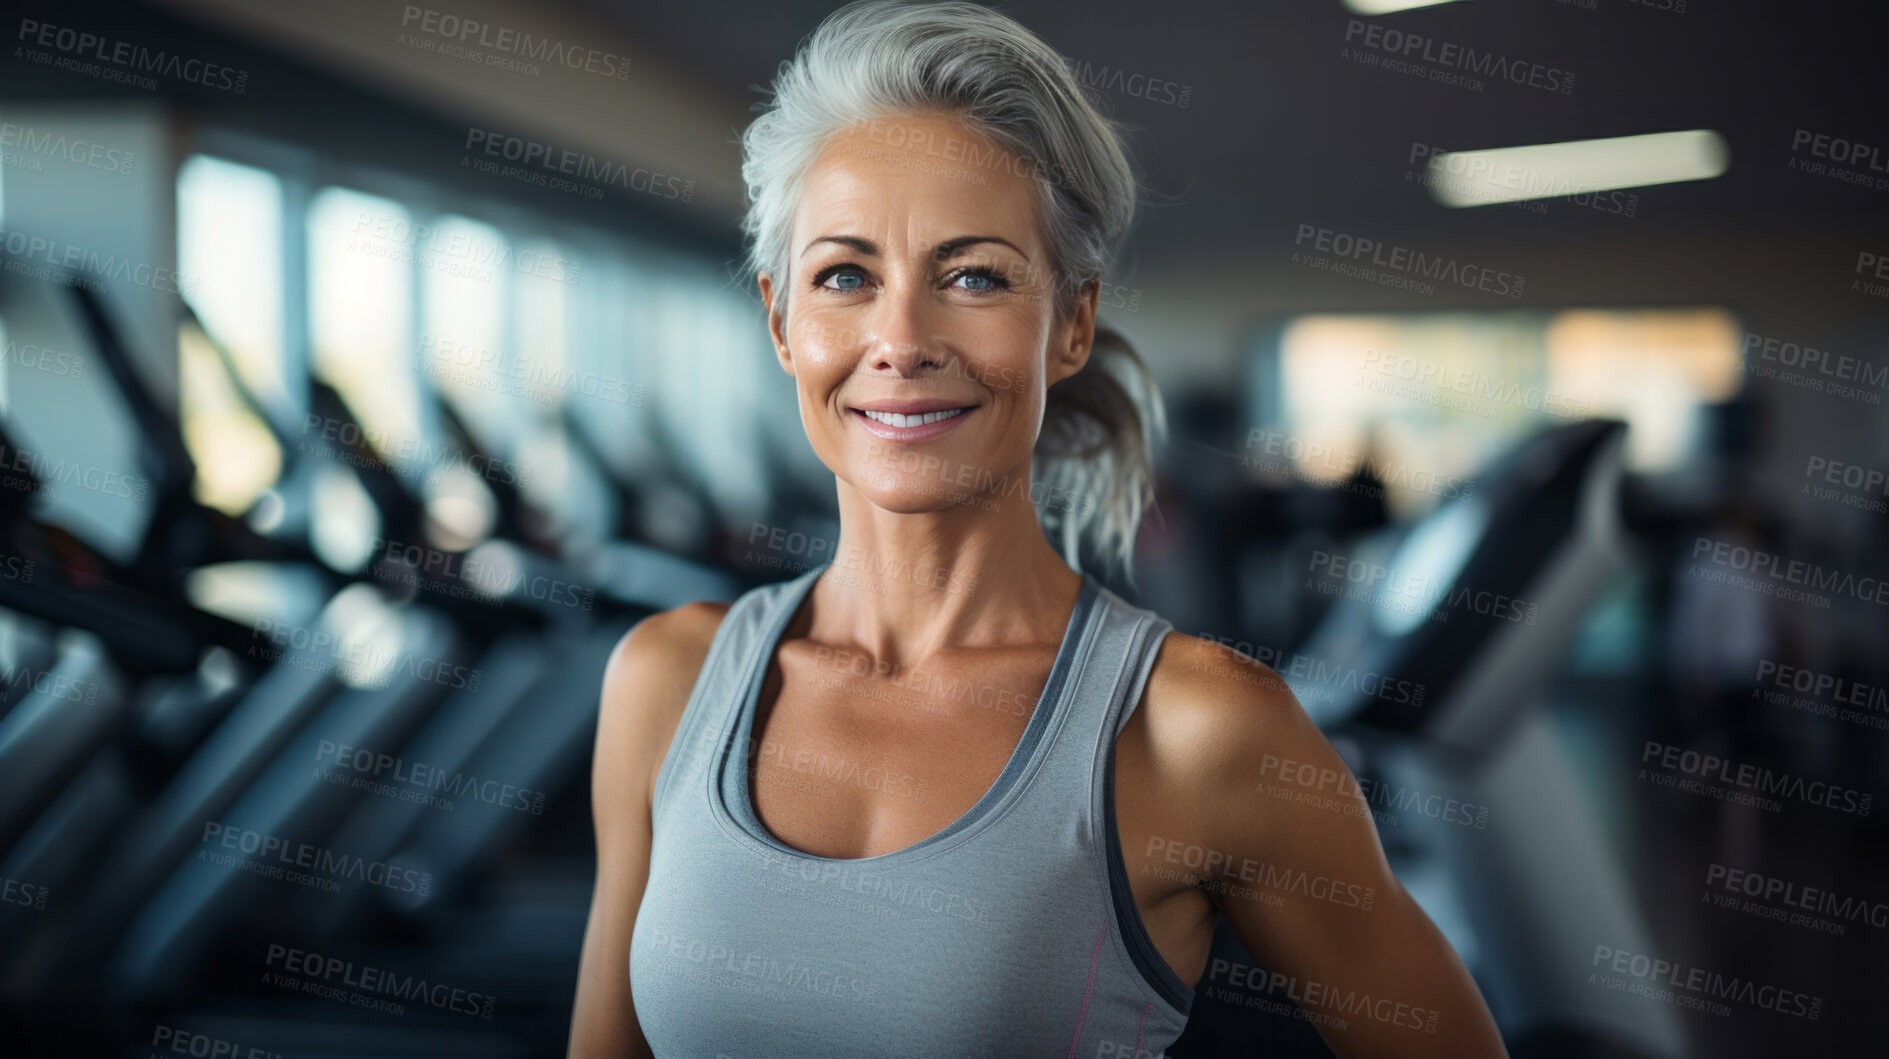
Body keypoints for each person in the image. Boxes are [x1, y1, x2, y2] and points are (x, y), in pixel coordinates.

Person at [568, 3, 1507, 1056]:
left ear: (1067, 324)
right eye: (845, 276)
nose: (901, 339)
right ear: (783, 322)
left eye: (972, 277)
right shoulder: (665, 679)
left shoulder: (1199, 730)